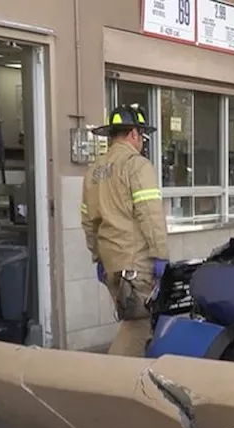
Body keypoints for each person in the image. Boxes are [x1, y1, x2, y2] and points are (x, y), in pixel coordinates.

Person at [80, 106, 169, 357]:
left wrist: (98, 257)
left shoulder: (94, 172)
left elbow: (88, 222)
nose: (142, 142)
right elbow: (150, 215)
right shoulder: (137, 165)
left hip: (112, 265)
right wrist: (161, 255)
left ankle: (134, 382)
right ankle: (113, 381)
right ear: (133, 133)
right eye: (142, 136)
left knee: (132, 324)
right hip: (136, 265)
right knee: (139, 325)